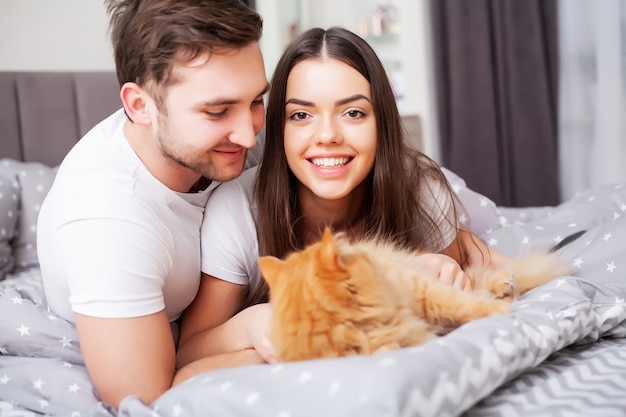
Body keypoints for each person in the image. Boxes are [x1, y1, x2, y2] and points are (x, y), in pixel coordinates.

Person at [175, 26, 511, 377]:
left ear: (380, 121)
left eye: (353, 113)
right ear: (280, 129)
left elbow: (468, 286)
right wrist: (252, 326)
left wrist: (444, 274)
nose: (327, 136)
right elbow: (188, 355)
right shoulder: (239, 210)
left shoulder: (418, 188)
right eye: (301, 115)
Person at [36, 0, 268, 409]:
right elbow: (145, 398)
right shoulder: (105, 220)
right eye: (217, 112)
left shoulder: (222, 144)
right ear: (140, 107)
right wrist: (259, 338)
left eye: (255, 102)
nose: (249, 137)